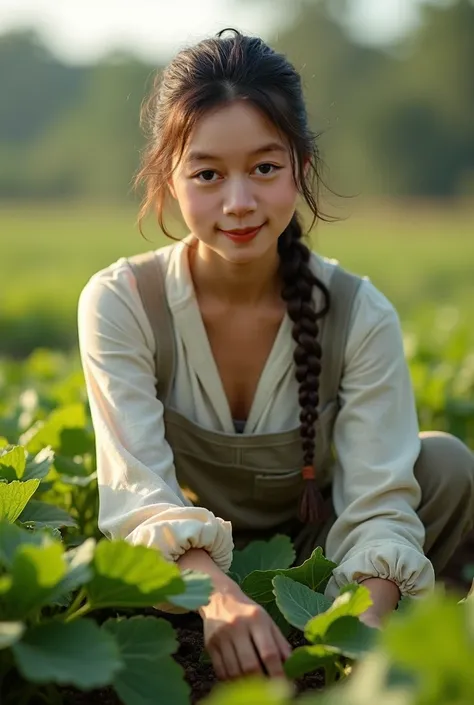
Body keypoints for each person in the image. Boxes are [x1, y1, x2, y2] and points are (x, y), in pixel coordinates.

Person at [77, 29, 474, 682]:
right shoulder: (123, 301)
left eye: (264, 167)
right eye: (207, 173)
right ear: (168, 179)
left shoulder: (358, 311)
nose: (239, 202)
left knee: (446, 463)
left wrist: (359, 629)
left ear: (301, 168)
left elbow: (378, 501)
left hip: (322, 557)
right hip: (199, 565)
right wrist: (217, 596)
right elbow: (139, 492)